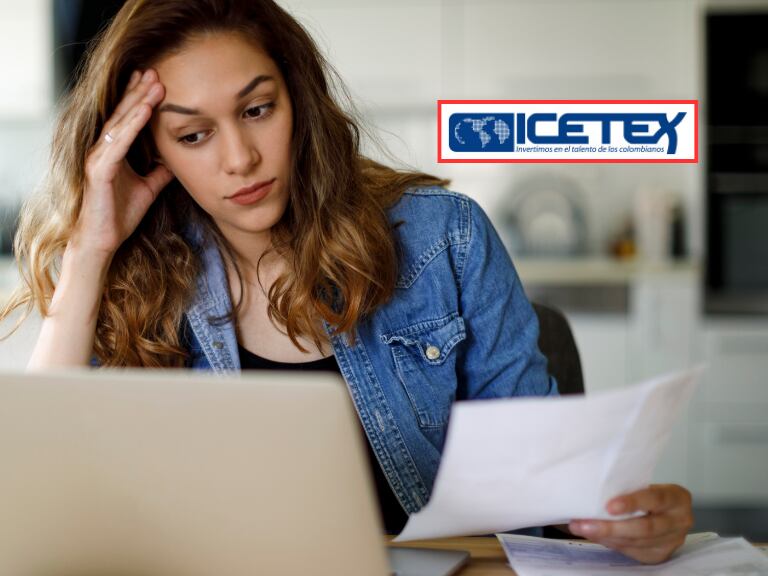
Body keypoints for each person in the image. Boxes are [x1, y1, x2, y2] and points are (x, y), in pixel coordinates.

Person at [1, 0, 693, 563]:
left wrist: (631, 526)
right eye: (193, 136)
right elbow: (41, 499)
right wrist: (91, 252)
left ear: (297, 101)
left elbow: (548, 504)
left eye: (256, 110)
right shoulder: (144, 275)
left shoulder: (442, 238)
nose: (240, 159)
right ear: (152, 151)